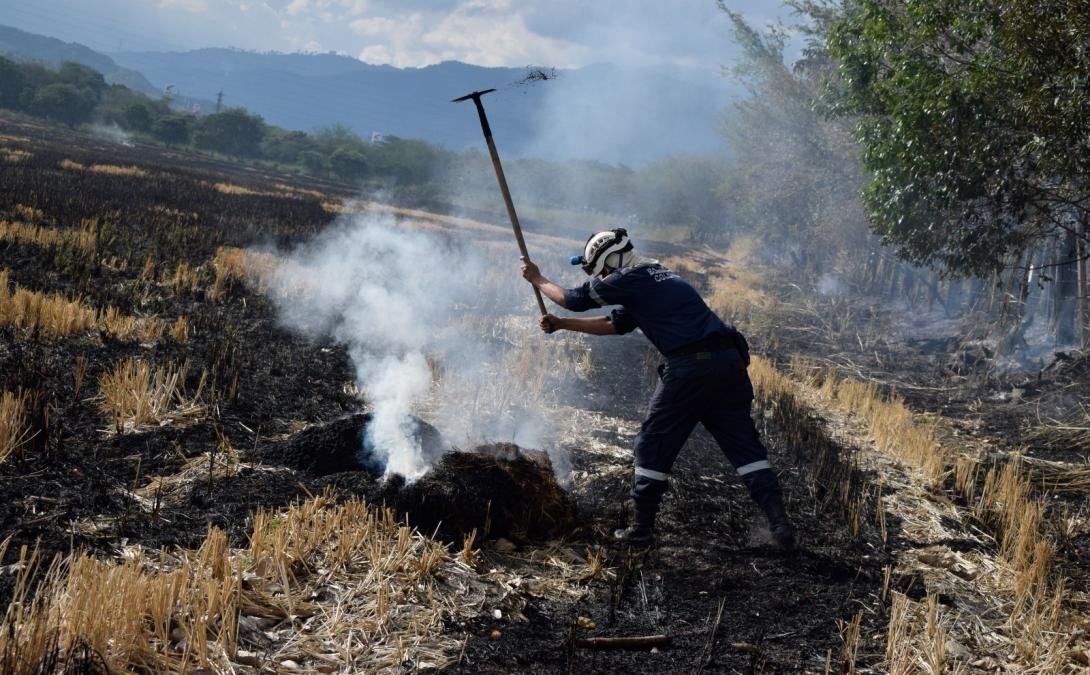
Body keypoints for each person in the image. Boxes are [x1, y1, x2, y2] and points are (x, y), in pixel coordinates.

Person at [520, 228, 795, 550]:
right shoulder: (658, 277)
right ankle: (780, 526)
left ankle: (641, 529)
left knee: (652, 442)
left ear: (614, 259)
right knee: (744, 447)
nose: (606, 279)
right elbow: (616, 324)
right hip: (728, 365)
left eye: (605, 271)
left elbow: (574, 300)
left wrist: (537, 279)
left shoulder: (631, 277)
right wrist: (562, 324)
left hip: (691, 368)